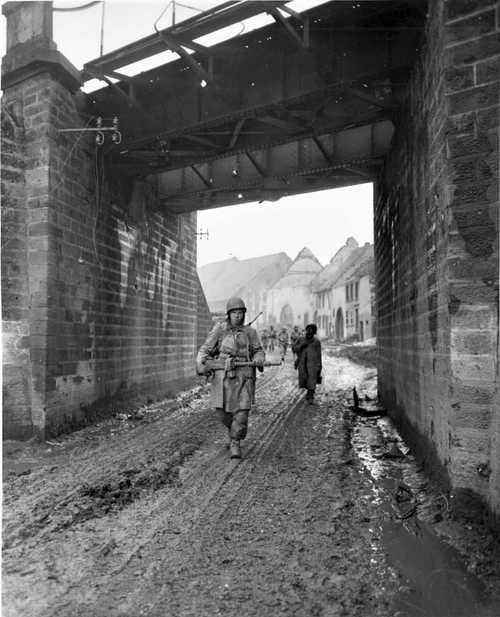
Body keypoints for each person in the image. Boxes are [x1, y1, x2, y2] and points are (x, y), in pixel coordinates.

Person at [196, 296, 265, 459]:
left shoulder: (251, 332)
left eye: (241, 312)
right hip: (222, 377)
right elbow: (205, 349)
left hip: (244, 377)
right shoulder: (220, 329)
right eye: (234, 312)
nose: (238, 316)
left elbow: (258, 350)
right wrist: (202, 364)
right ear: (229, 314)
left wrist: (259, 357)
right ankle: (233, 429)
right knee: (222, 413)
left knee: (241, 412)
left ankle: (235, 441)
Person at [292, 323, 322, 404]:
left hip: (313, 364)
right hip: (302, 363)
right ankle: (309, 392)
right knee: (304, 379)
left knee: (312, 379)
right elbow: (294, 348)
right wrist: (301, 346)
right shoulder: (301, 339)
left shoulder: (316, 342)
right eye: (308, 329)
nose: (309, 332)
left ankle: (311, 395)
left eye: (311, 330)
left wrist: (319, 366)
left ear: (314, 332)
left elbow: (319, 354)